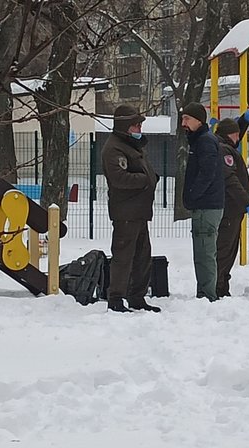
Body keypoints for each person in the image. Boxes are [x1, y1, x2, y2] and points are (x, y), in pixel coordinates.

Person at [101, 104, 160, 313]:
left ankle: (137, 297)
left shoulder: (133, 146)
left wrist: (151, 177)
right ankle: (116, 298)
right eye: (136, 125)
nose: (139, 129)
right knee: (123, 257)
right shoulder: (114, 148)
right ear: (125, 126)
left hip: (139, 211)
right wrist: (145, 180)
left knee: (143, 257)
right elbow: (119, 178)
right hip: (126, 212)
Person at [180, 101, 224, 302]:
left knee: (205, 252)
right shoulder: (201, 140)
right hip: (206, 203)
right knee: (202, 251)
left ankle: (207, 295)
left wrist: (193, 195)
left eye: (187, 119)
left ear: (199, 120)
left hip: (206, 205)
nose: (183, 123)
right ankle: (205, 292)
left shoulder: (205, 141)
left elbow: (207, 173)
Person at [214, 110, 249, 298]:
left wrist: (243, 122)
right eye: (237, 134)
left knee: (229, 249)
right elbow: (230, 179)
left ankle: (222, 285)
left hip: (232, 209)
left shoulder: (223, 145)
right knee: (225, 249)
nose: (239, 137)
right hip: (230, 208)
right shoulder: (224, 151)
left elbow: (232, 134)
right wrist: (246, 201)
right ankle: (218, 287)